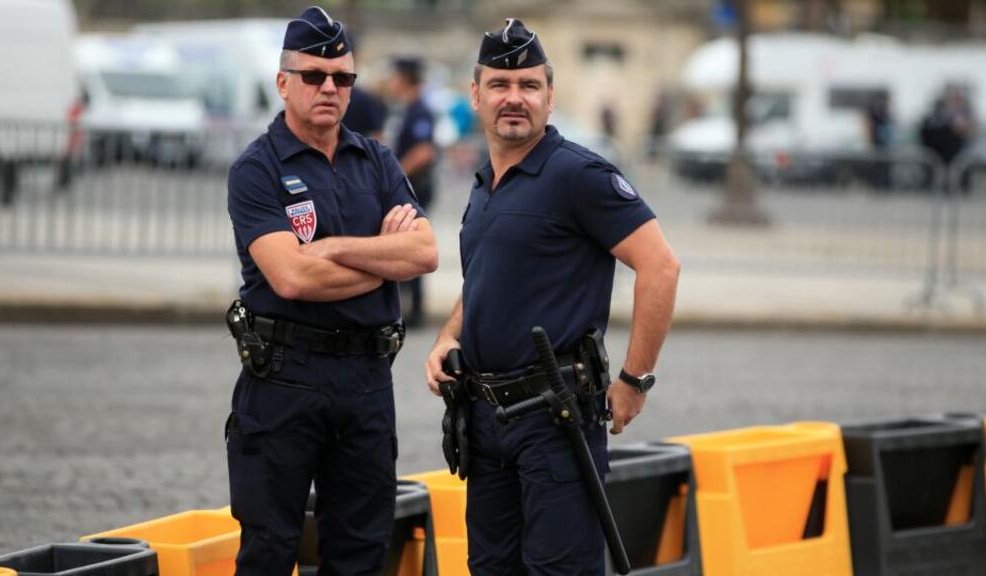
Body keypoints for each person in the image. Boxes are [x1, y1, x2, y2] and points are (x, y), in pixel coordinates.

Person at [423, 18, 679, 574]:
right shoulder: (485, 184)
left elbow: (660, 266)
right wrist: (448, 336)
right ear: (475, 94)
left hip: (555, 422)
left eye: (529, 86)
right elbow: (488, 282)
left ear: (549, 96)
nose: (514, 99)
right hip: (487, 419)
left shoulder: (577, 176)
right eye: (499, 85)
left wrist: (635, 381)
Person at [224, 6, 438, 575]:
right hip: (284, 380)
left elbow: (423, 253)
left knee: (362, 554)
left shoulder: (377, 161)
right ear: (283, 82)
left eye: (343, 78)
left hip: (366, 381)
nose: (330, 88)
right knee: (269, 550)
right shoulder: (257, 169)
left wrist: (332, 249)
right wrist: (379, 257)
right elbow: (290, 277)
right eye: (315, 75)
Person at [386, 56, 437, 327]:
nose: (390, 83)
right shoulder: (407, 109)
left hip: (417, 187)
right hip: (411, 185)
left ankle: (415, 311)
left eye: (394, 77)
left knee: (413, 245)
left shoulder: (420, 110)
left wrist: (395, 174)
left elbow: (424, 151)